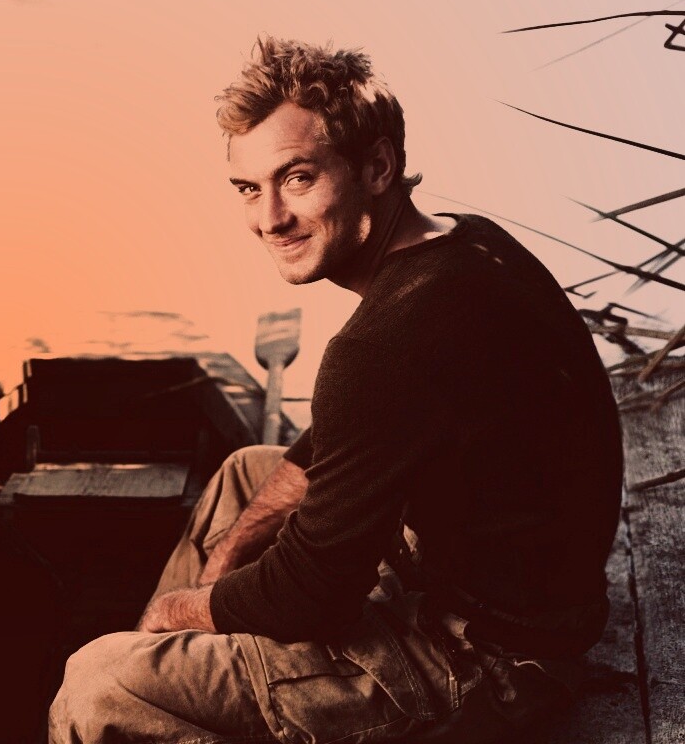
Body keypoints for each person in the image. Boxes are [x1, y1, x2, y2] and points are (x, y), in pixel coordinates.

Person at [48, 36, 624, 744]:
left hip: (490, 660)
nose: (269, 218)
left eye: (297, 179)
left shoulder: (383, 344)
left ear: (377, 166)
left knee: (98, 683)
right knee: (246, 473)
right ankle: (173, 664)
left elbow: (308, 596)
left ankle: (152, 669)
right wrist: (224, 569)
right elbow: (346, 433)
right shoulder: (465, 246)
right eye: (248, 189)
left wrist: (176, 611)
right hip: (510, 587)